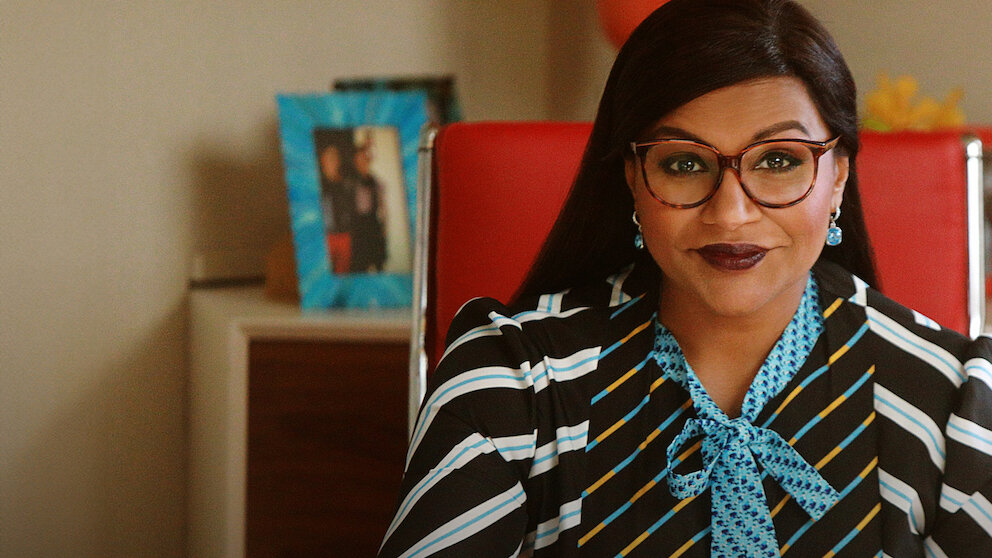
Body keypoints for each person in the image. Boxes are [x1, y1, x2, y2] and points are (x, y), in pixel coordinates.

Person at [378, 1, 992, 556]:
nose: (731, 213)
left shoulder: (950, 408)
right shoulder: (514, 385)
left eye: (779, 160)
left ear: (838, 177)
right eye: (684, 163)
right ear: (632, 178)